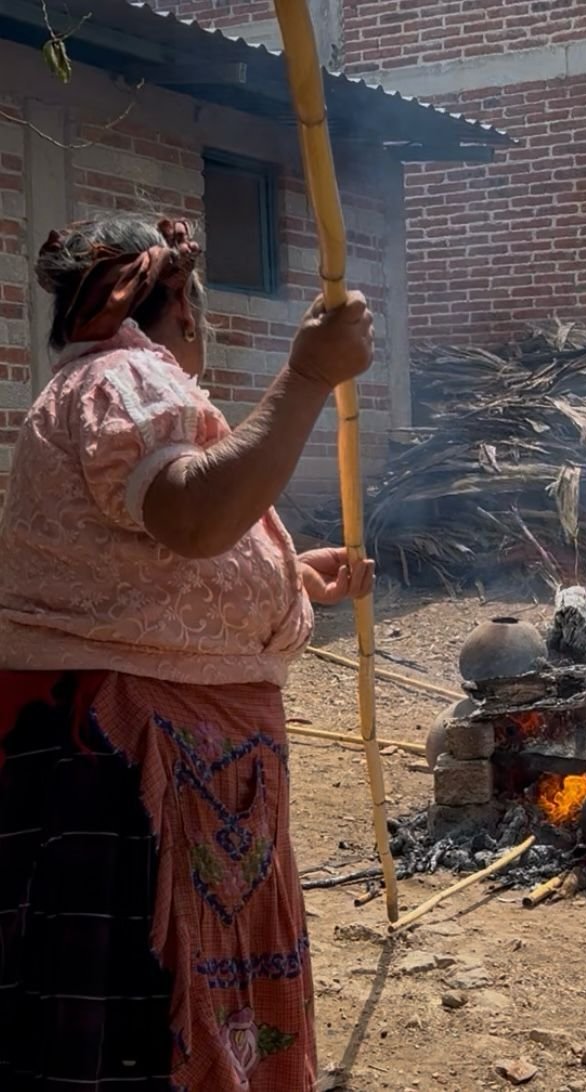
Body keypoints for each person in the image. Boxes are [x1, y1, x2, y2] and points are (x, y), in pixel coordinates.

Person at [0, 215, 375, 1089]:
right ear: (184, 311)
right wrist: (310, 375)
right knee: (133, 1031)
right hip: (124, 762)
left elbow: (160, 556)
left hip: (158, 751)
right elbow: (196, 516)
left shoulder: (102, 389)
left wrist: (288, 577)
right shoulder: (125, 378)